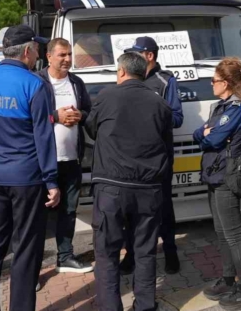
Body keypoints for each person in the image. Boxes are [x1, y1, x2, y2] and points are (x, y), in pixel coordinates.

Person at [0, 25, 60, 311]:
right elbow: (43, 136)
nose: (38, 54)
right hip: (26, 179)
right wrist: (51, 180)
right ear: (27, 51)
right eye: (37, 49)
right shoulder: (35, 85)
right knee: (25, 249)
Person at [85, 52, 173, 311]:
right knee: (145, 251)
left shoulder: (107, 96)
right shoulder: (159, 103)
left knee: (107, 253)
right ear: (144, 73)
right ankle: (145, 306)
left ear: (121, 71)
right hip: (149, 188)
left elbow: (91, 128)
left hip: (111, 187)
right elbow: (166, 144)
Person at [196, 57, 241, 310]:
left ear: (227, 82)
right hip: (214, 174)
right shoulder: (220, 107)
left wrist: (206, 134)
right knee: (222, 232)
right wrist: (204, 133)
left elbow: (213, 139)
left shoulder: (236, 108)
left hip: (227, 176)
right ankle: (228, 279)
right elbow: (201, 133)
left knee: (233, 235)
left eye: (214, 80)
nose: (211, 84)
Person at [120, 36, 184, 274]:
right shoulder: (128, 78)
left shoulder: (165, 81)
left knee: (164, 208)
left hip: (158, 157)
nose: (133, 57)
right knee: (131, 210)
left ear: (149, 55)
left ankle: (170, 253)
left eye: (137, 53)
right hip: (131, 157)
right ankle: (131, 255)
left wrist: (150, 115)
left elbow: (177, 118)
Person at [36, 38, 93, 274]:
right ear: (49, 56)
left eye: (69, 54)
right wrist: (55, 117)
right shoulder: (37, 82)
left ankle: (65, 256)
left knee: (69, 210)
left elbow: (89, 112)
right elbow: (28, 117)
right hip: (42, 162)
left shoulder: (77, 83)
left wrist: (81, 115)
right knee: (38, 215)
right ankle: (33, 268)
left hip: (71, 160)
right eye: (62, 55)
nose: (67, 59)